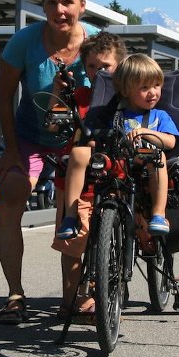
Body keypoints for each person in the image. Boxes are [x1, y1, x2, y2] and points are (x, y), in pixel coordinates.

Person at [0, 0, 97, 325]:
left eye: (67, 2)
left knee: (77, 208)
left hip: (79, 139)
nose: (60, 9)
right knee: (10, 191)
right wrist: (10, 150)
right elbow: (4, 98)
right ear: (43, 6)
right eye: (52, 2)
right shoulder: (24, 42)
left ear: (82, 6)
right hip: (31, 136)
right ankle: (15, 295)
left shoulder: (97, 43)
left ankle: (79, 292)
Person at [49, 32, 128, 320]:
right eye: (92, 67)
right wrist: (58, 93)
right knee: (72, 246)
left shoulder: (127, 100)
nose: (98, 72)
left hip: (113, 178)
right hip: (76, 183)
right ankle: (70, 301)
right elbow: (54, 127)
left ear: (120, 66)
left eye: (105, 66)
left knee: (110, 240)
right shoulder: (79, 96)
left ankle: (106, 292)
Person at [85, 53, 179, 235]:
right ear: (126, 90)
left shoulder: (160, 116)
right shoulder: (115, 116)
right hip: (119, 164)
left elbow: (170, 142)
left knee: (158, 156)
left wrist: (148, 133)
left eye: (157, 85)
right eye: (145, 87)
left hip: (148, 163)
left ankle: (159, 213)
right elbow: (97, 138)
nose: (153, 92)